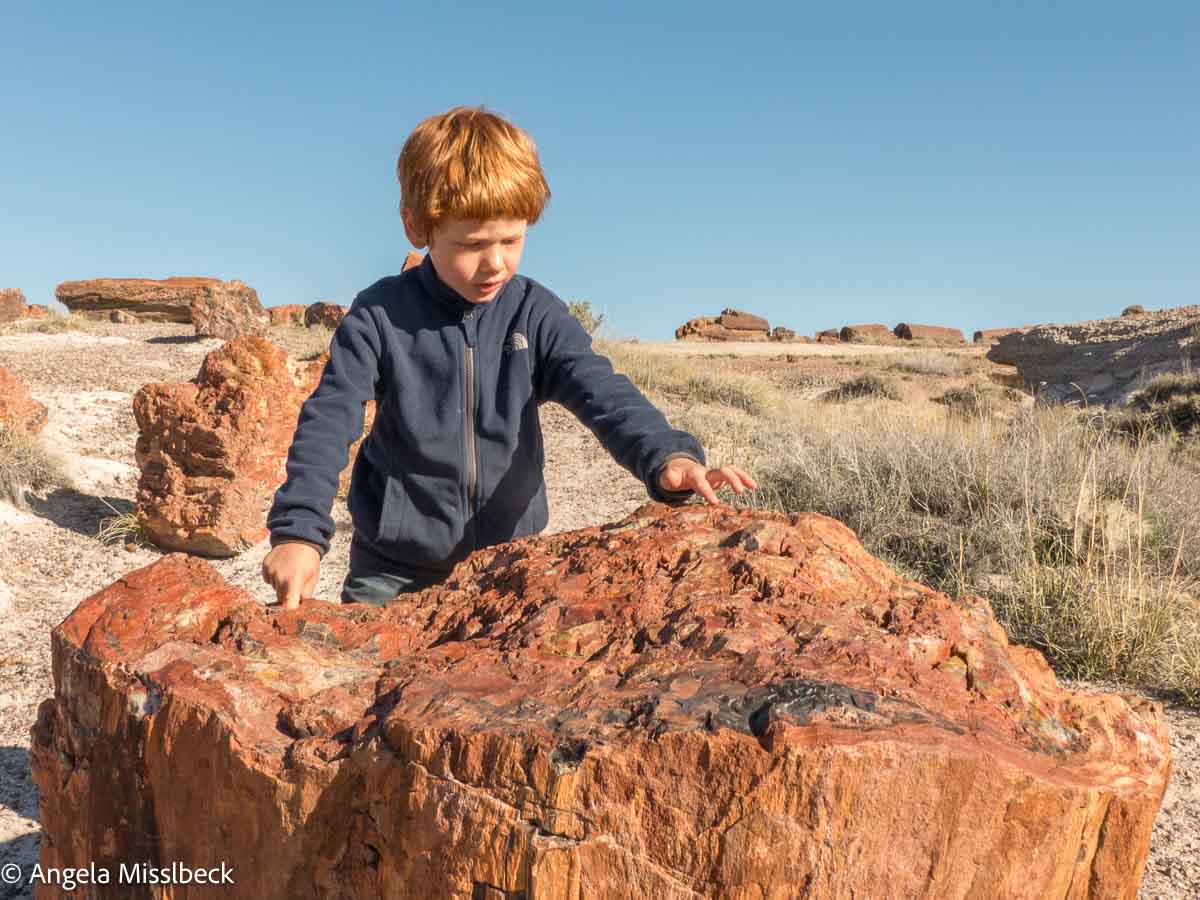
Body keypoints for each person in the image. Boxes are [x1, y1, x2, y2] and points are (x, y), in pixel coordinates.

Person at [262, 106, 757, 609]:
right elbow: (330, 418)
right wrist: (299, 533)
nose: (494, 262)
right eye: (471, 244)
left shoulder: (533, 313)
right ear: (417, 228)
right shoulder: (381, 315)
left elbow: (600, 390)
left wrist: (666, 456)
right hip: (392, 572)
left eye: (511, 240)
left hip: (511, 566)